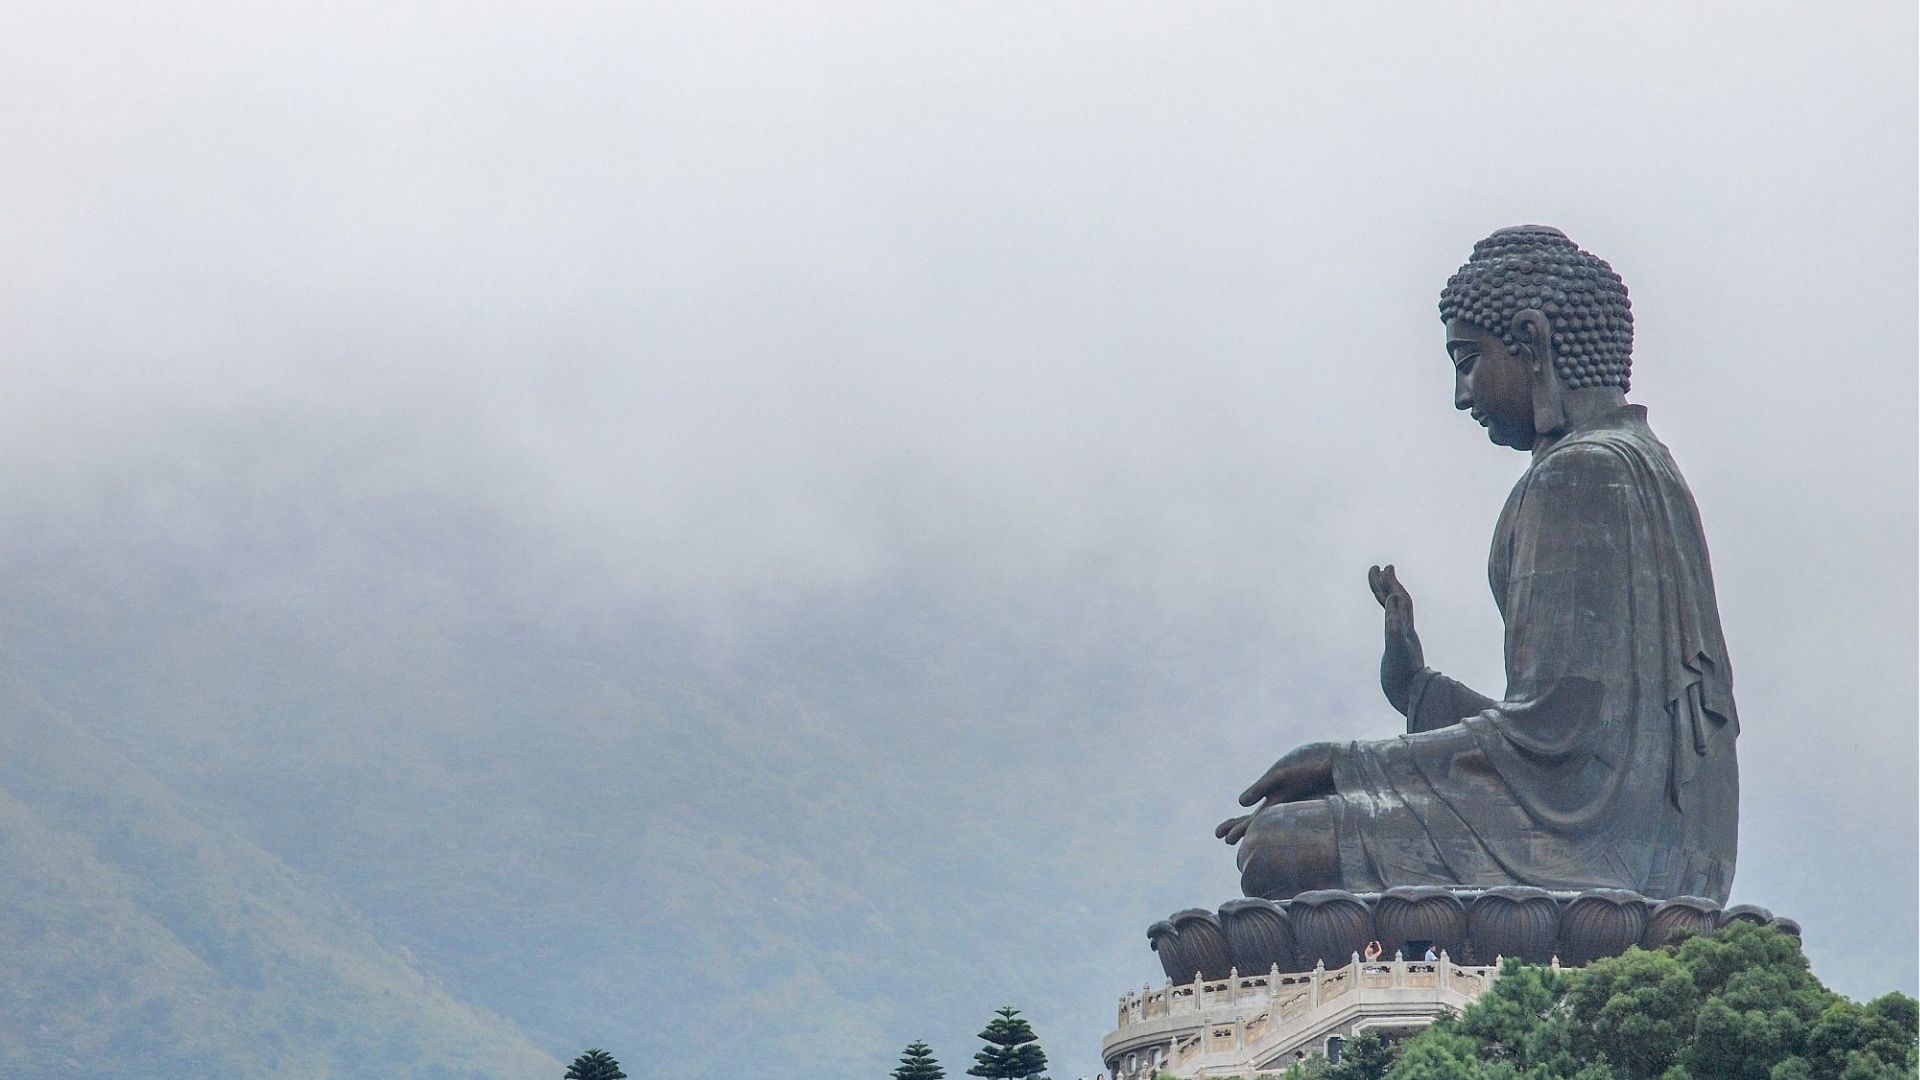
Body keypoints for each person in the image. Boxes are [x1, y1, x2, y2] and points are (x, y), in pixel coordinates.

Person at [1218, 226, 1739, 904]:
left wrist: (1346, 765)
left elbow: (1549, 745)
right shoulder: (1647, 466)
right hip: (1673, 858)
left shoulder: (1579, 475)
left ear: (1533, 340)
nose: (1462, 396)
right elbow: (1568, 738)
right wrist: (1417, 689)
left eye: (1468, 361)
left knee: (1276, 849)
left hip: (1594, 855)